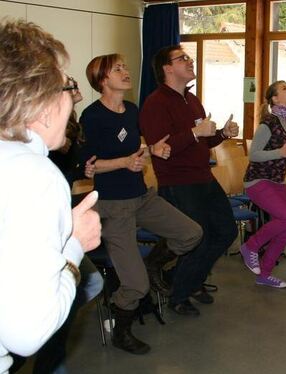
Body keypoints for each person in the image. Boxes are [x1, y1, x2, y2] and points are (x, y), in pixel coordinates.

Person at [80, 53, 203, 354]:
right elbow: (89, 166)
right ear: (102, 80)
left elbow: (138, 148)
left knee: (191, 233)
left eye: (125, 66)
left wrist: (153, 149)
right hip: (112, 206)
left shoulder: (132, 109)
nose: (126, 71)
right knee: (136, 286)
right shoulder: (92, 116)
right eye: (117, 69)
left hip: (141, 196)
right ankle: (122, 330)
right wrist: (124, 161)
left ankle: (152, 266)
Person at [0, 20, 101, 373]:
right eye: (67, 86)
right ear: (41, 102)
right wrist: (74, 244)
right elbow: (27, 333)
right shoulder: (34, 175)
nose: (71, 99)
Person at [139, 45, 239, 314]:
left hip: (203, 177)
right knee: (199, 238)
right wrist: (195, 132)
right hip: (177, 181)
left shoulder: (192, 100)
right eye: (182, 58)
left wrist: (222, 134)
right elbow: (161, 148)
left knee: (227, 231)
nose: (189, 61)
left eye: (189, 57)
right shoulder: (155, 103)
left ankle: (188, 280)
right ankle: (178, 296)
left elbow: (202, 142)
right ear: (167, 68)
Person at [239, 81, 286, 287]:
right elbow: (254, 154)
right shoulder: (268, 122)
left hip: (278, 181)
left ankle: (264, 275)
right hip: (257, 180)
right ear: (274, 99)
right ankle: (250, 246)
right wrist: (279, 152)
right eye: (283, 89)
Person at [48, 75, 85, 187]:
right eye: (71, 85)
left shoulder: (73, 122)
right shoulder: (51, 124)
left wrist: (85, 171)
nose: (76, 87)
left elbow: (70, 168)